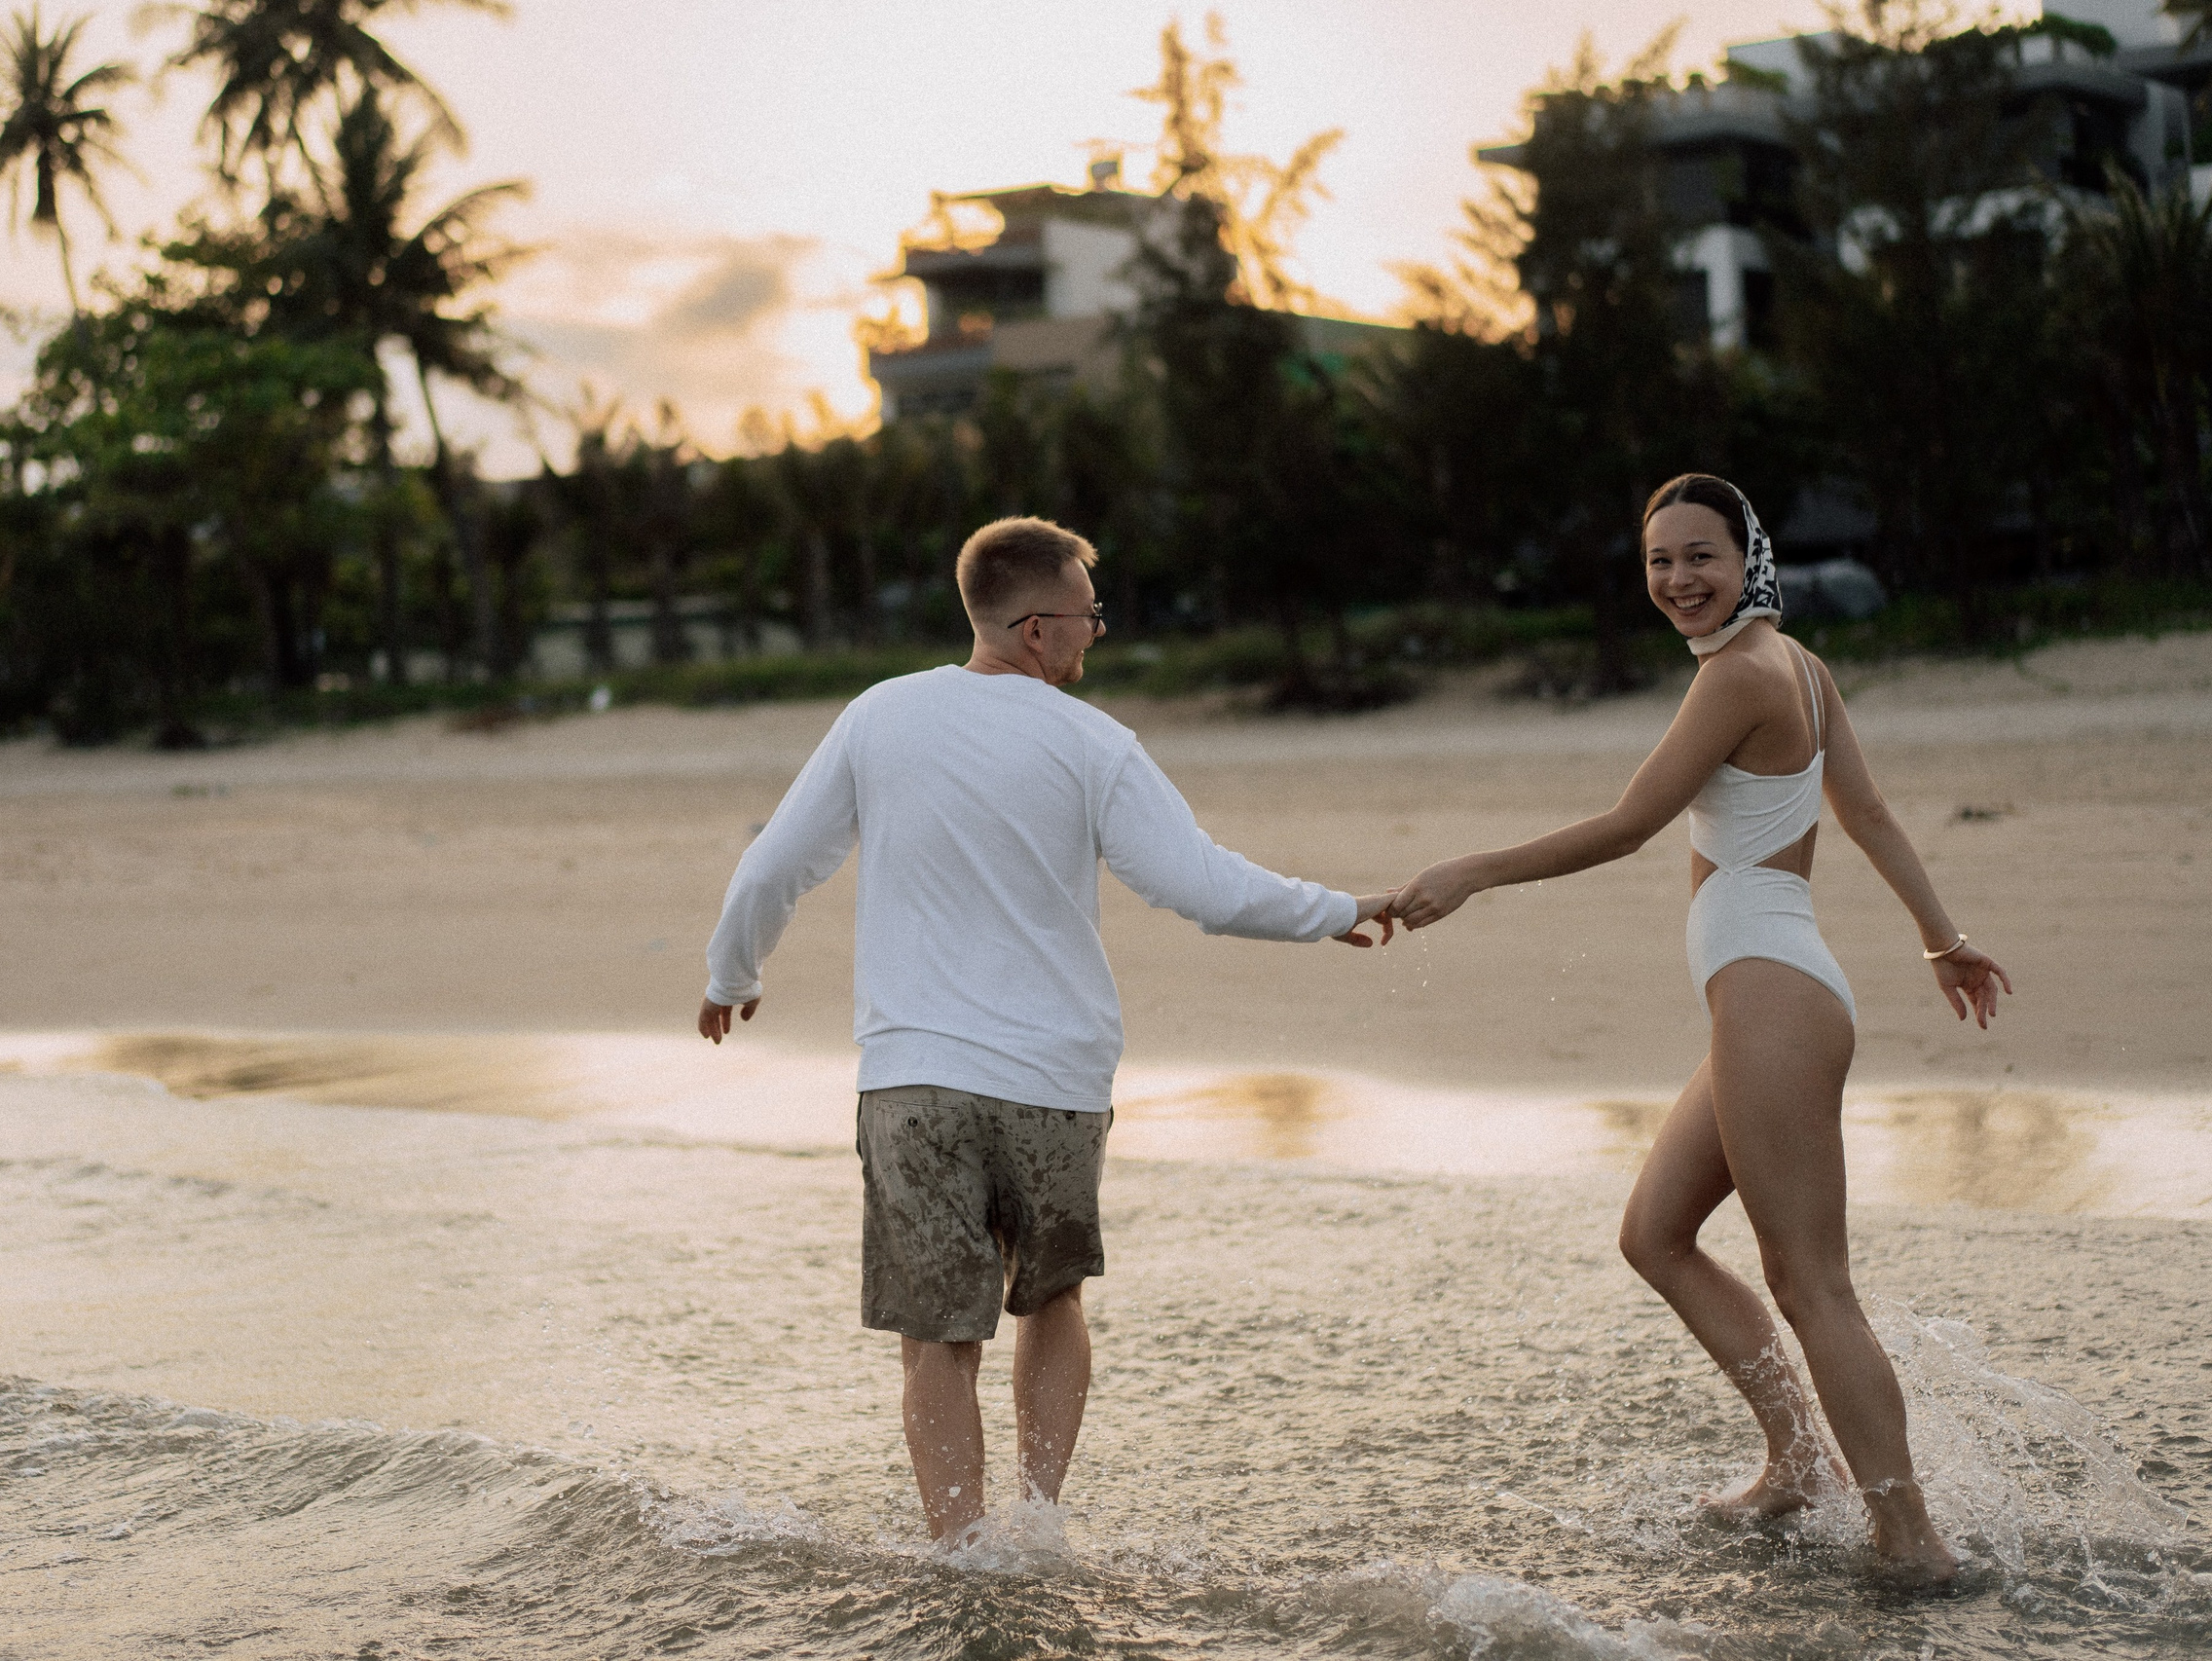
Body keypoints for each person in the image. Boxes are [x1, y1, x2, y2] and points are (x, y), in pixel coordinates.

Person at [698, 516, 1392, 1547]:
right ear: (1035, 628)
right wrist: (1333, 909)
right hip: (1055, 1081)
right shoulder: (1093, 742)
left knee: (938, 1334)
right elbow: (1199, 885)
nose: (1095, 632)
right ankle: (1037, 1527)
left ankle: (958, 1551)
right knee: (1052, 1299)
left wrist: (732, 974)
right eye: (1087, 615)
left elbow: (772, 868)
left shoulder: (880, 715)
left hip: (915, 1079)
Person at [1385, 475, 2009, 1581]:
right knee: (1655, 1232)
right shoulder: (1796, 664)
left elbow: (1631, 824)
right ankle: (1796, 1461)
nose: (1678, 579)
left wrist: (1474, 870)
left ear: (1747, 556)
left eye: (1700, 556)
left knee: (1812, 1283)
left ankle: (1912, 1539)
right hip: (1765, 993)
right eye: (1660, 560)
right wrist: (1941, 938)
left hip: (1775, 996)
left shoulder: (1740, 675)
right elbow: (1863, 810)